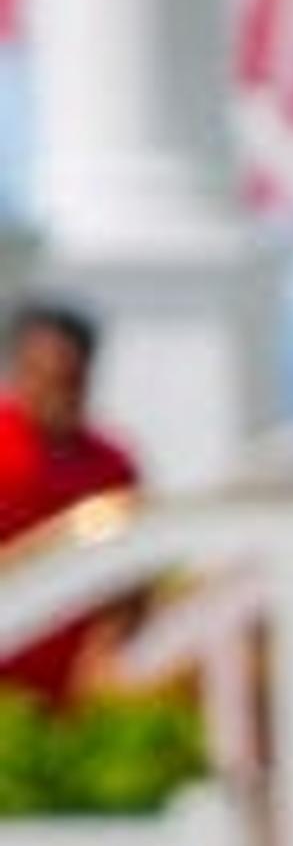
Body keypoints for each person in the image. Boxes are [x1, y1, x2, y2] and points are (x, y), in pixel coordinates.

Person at [0, 297, 143, 700]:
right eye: (41, 375)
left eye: (68, 379)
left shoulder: (113, 466)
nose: (54, 390)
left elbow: (130, 577)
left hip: (71, 695)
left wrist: (107, 648)